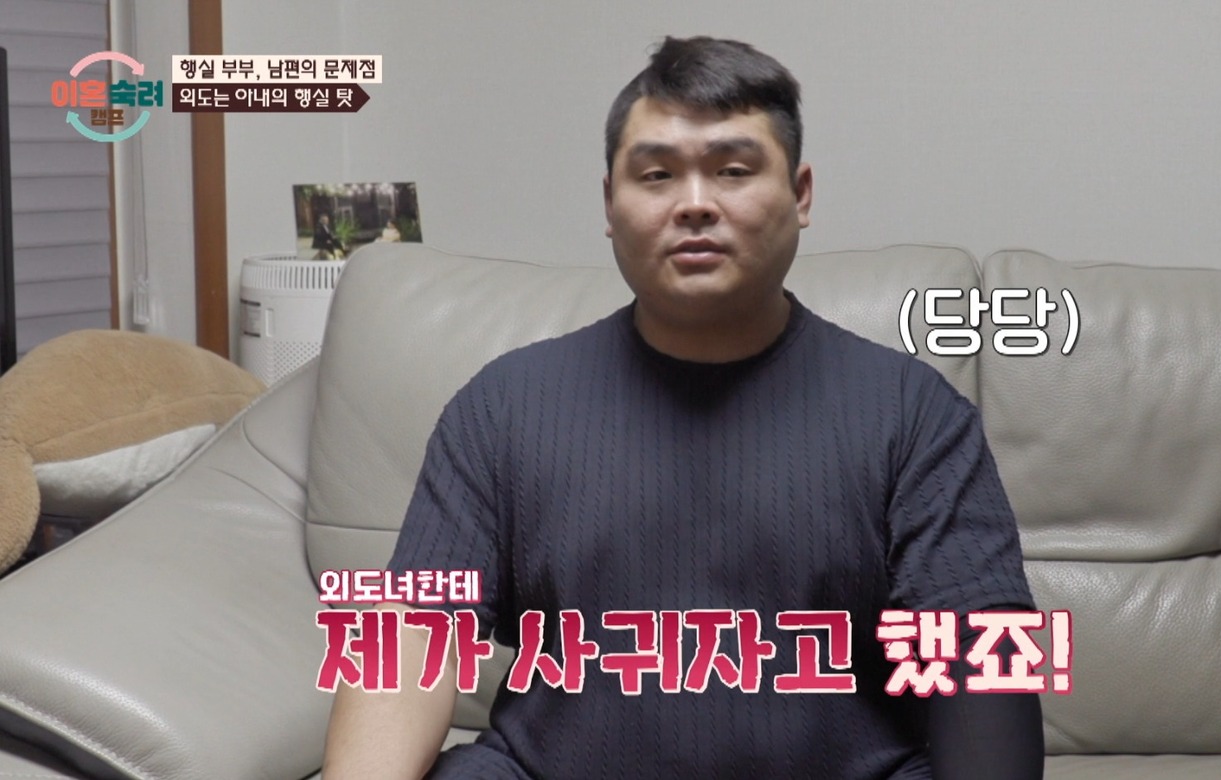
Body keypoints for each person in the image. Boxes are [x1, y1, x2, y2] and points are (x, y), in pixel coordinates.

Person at [324, 36, 1043, 779]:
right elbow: (411, 632)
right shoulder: (503, 406)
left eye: (733, 170)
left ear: (800, 195)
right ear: (610, 203)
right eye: (657, 175)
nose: (695, 203)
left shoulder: (913, 413)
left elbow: (980, 657)